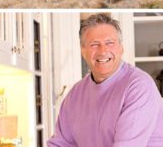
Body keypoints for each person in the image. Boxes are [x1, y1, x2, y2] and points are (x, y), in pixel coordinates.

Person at [48, 13, 163, 147]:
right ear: (83, 51)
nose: (103, 51)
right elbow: (60, 143)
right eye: (94, 44)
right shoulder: (75, 94)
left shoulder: (139, 86)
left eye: (110, 43)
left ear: (121, 48)